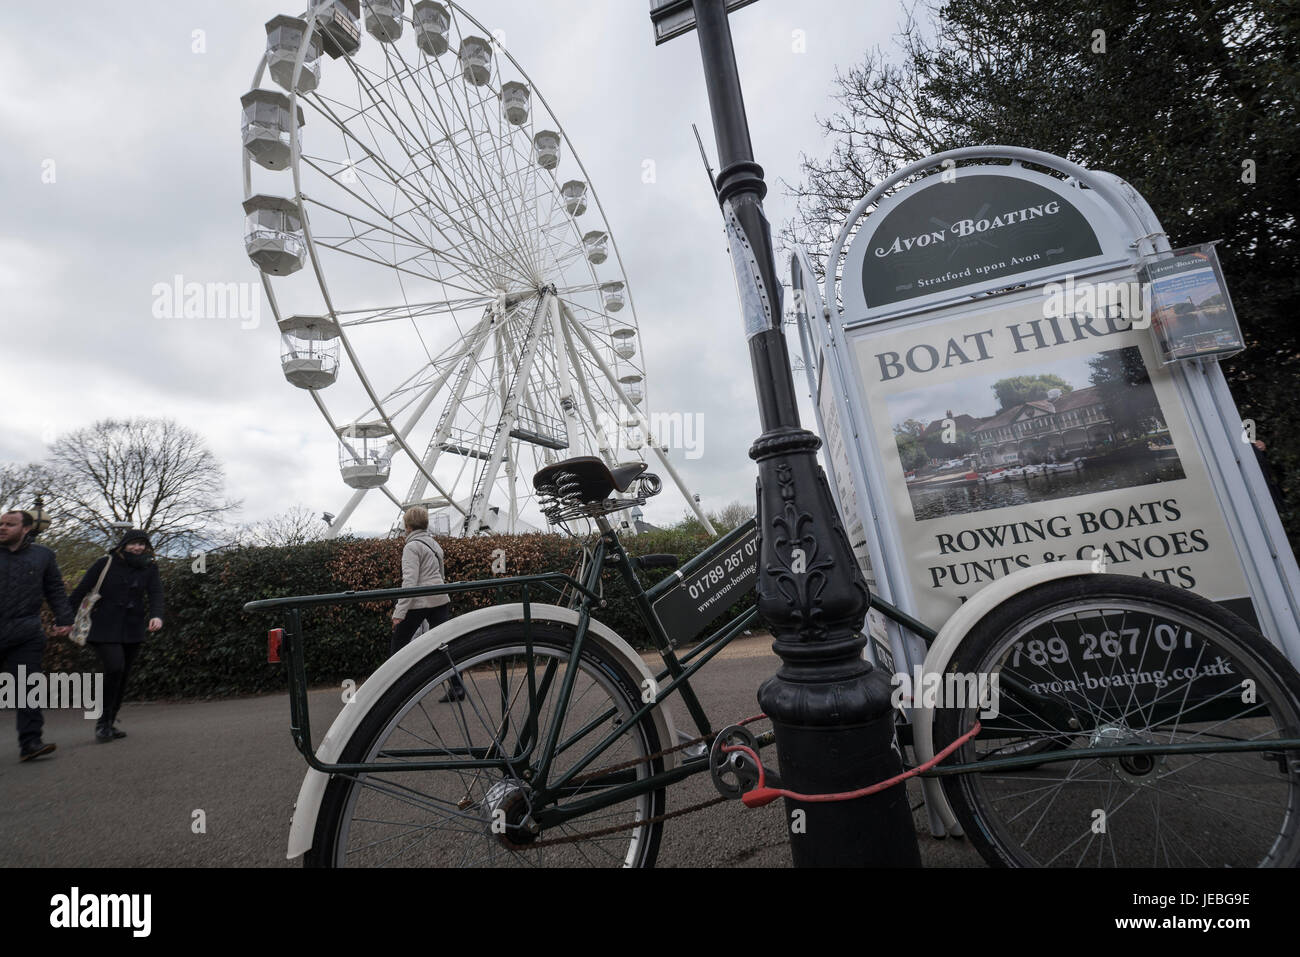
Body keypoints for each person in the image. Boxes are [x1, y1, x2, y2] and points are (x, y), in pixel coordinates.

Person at [68, 529, 164, 743]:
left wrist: (157, 616)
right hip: (104, 626)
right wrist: (64, 619)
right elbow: (81, 590)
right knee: (115, 667)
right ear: (123, 545)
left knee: (122, 676)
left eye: (142, 544)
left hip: (133, 628)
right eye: (134, 544)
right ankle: (102, 724)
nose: (138, 548)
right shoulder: (106, 563)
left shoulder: (150, 566)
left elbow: (156, 592)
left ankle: (110, 722)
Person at [0, 509, 74, 761]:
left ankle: (31, 742)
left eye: (10, 524)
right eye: (1, 523)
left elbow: (54, 588)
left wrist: (64, 618)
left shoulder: (43, 556)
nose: (3, 528)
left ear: (26, 528)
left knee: (28, 687)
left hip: (26, 632)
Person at [389, 507, 462, 700]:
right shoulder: (434, 544)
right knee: (444, 643)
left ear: (408, 525)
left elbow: (410, 582)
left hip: (420, 600)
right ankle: (458, 686)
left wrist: (399, 612)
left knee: (399, 643)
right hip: (439, 598)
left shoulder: (411, 547)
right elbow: (441, 575)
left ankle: (393, 691)